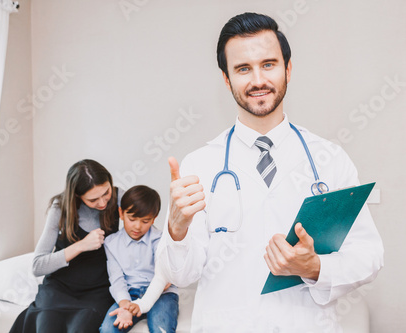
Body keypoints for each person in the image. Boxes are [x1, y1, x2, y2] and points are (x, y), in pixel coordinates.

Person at [156, 12, 384, 332]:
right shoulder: (198, 166)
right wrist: (177, 230)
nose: (258, 81)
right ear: (226, 78)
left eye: (268, 64)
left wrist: (315, 267)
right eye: (243, 69)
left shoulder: (329, 159)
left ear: (287, 69)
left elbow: (368, 255)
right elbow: (180, 275)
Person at [10, 159, 122, 333]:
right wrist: (81, 245)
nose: (102, 203)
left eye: (106, 192)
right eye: (93, 199)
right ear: (77, 195)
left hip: (97, 291)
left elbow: (148, 226)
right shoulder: (60, 208)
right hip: (59, 289)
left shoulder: (118, 197)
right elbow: (37, 266)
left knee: (81, 328)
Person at [100, 185, 179, 333]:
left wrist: (143, 303)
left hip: (162, 293)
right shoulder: (111, 243)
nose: (137, 226)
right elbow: (117, 280)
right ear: (121, 213)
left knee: (161, 328)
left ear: (154, 219)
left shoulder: (161, 240)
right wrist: (125, 306)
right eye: (132, 219)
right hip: (130, 294)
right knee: (108, 329)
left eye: (145, 221)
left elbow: (164, 279)